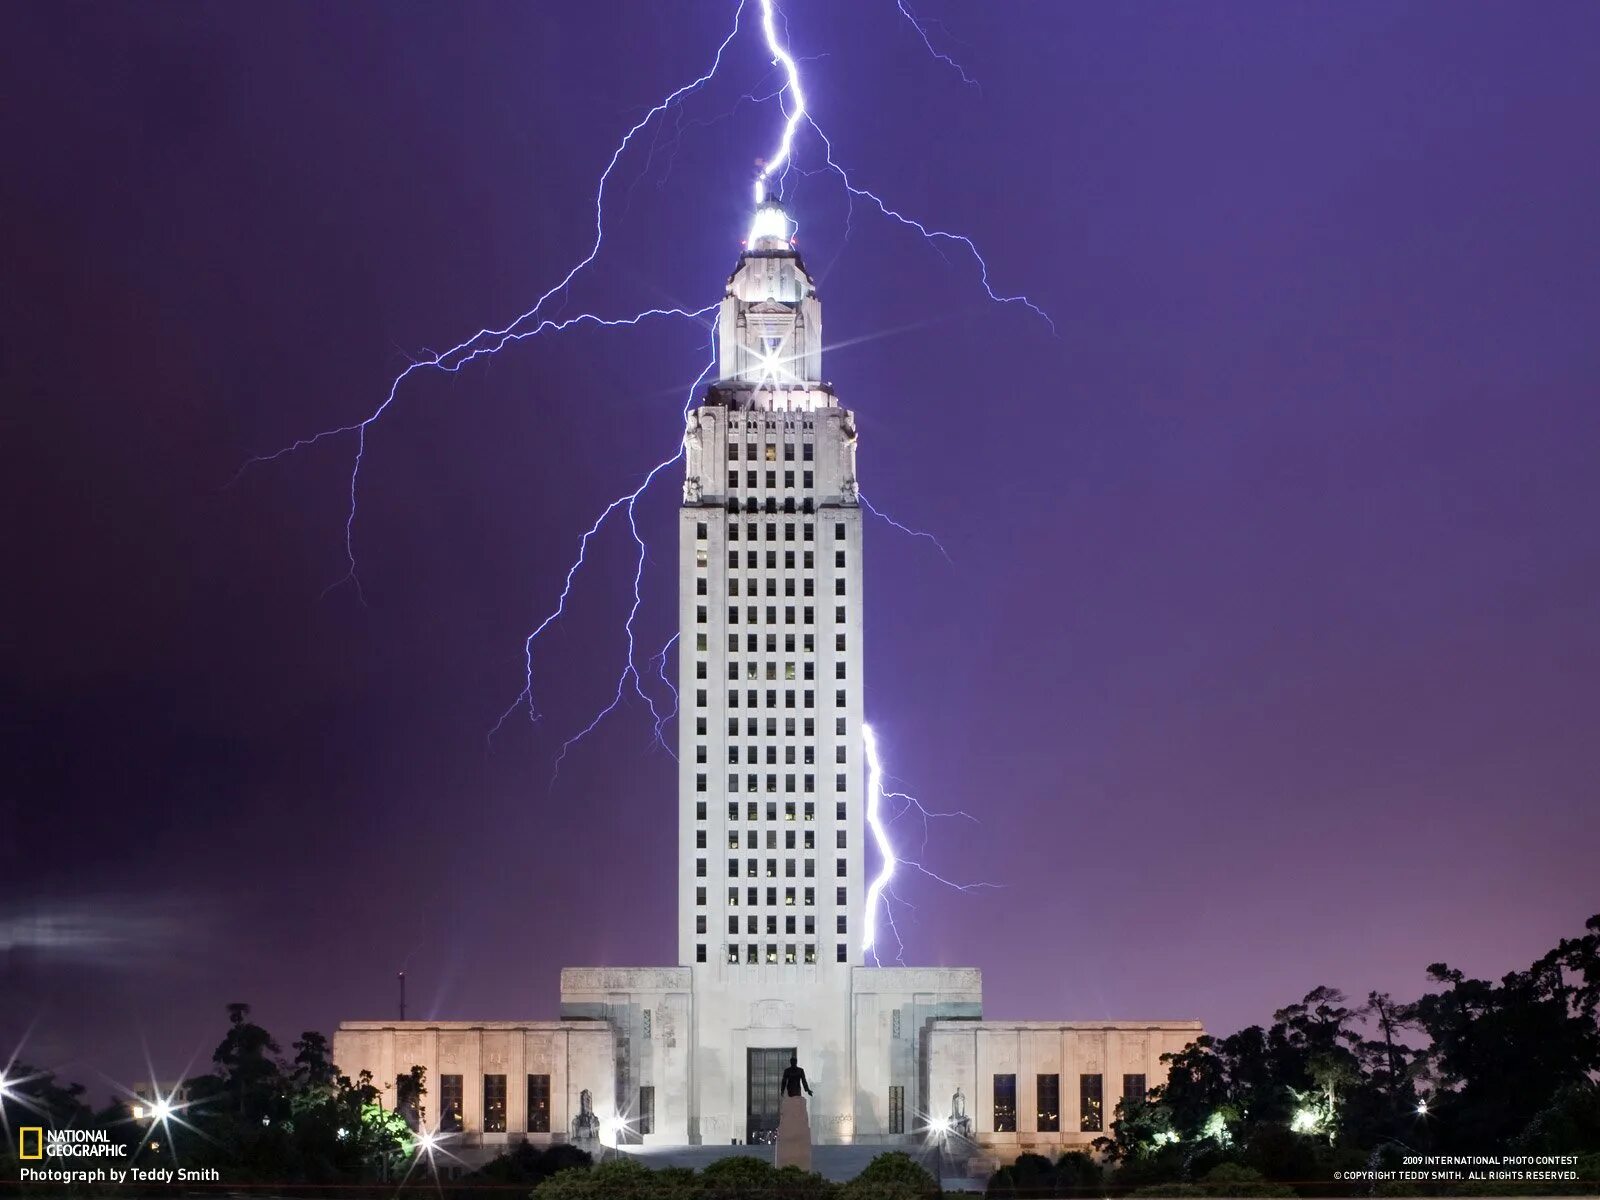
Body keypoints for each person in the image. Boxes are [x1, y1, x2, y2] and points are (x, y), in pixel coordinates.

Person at [775, 1054, 813, 1170]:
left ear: (795, 1062)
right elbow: (784, 1082)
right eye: (792, 1061)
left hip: (796, 1092)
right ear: (791, 1062)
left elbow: (804, 1081)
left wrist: (807, 1090)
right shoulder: (788, 1071)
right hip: (791, 1092)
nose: (793, 1063)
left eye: (794, 1061)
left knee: (796, 1104)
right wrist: (782, 1091)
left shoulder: (800, 1071)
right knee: (793, 1104)